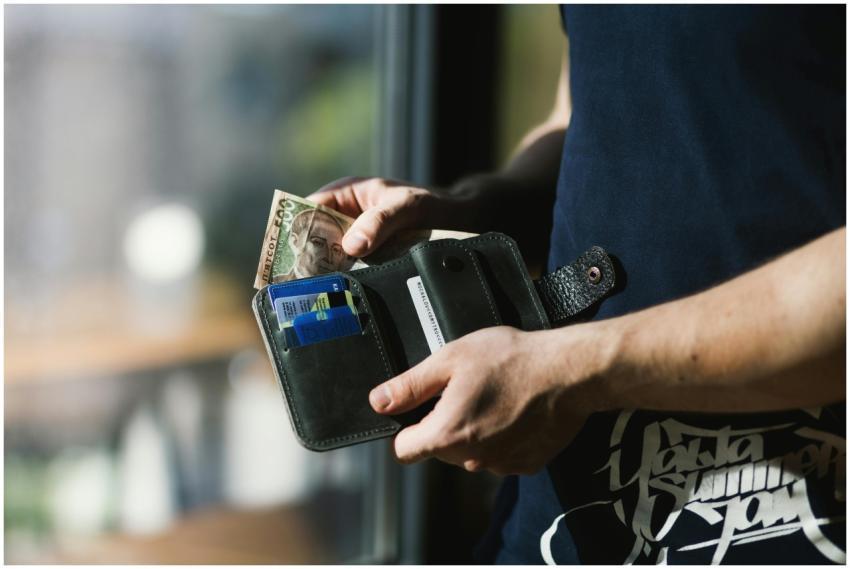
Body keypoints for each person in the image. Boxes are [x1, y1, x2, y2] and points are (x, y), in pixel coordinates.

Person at [311, 5, 845, 564]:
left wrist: (576, 371)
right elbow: (590, 107)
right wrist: (468, 210)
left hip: (794, 516)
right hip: (564, 521)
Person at [277, 208, 351, 281]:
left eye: (336, 249)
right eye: (318, 243)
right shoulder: (274, 284)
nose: (329, 258)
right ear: (295, 242)